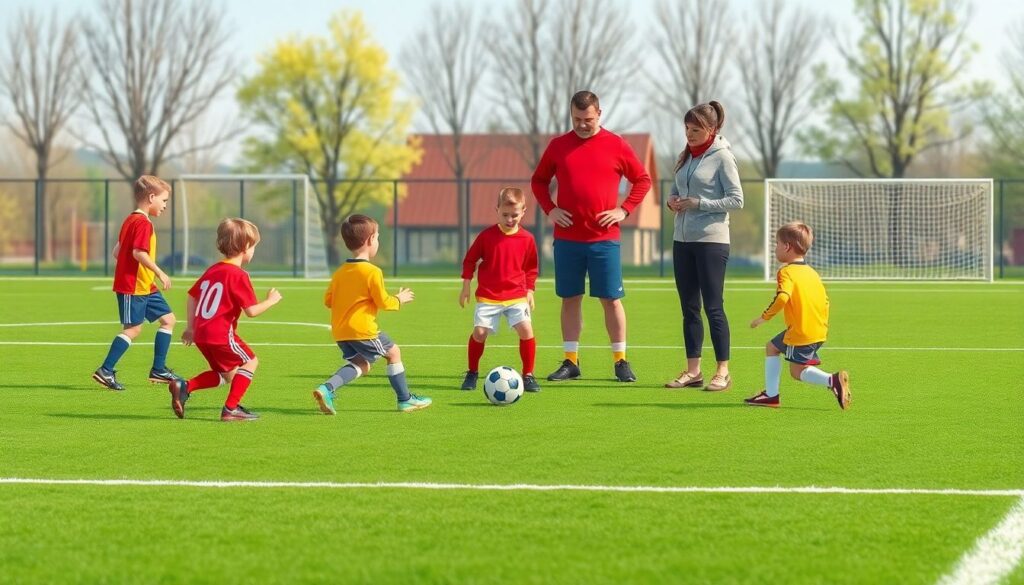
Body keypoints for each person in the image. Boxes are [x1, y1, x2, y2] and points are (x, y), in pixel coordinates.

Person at [531, 90, 652, 383]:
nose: (582, 124)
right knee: (570, 298)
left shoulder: (616, 145)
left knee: (611, 299)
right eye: (576, 119)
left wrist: (624, 210)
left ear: (599, 114)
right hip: (567, 239)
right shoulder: (558, 146)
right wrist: (550, 209)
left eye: (587, 119)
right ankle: (571, 361)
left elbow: (643, 180)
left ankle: (620, 361)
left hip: (604, 240)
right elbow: (538, 181)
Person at [313, 214, 432, 414]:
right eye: (377, 237)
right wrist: (399, 299)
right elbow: (383, 302)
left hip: (341, 332)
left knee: (362, 364)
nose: (377, 241)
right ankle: (405, 400)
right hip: (363, 330)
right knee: (394, 352)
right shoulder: (372, 272)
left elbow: (328, 301)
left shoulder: (340, 272)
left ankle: (327, 388)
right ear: (370, 241)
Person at [169, 218, 282, 421]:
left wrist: (191, 328)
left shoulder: (212, 270)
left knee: (226, 375)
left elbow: (192, 296)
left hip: (202, 334)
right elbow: (252, 311)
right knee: (251, 361)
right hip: (220, 333)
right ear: (245, 247)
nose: (254, 250)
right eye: (254, 246)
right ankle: (231, 409)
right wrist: (271, 301)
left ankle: (185, 386)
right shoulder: (238, 275)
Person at [664, 101, 743, 392]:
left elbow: (736, 199)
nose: (689, 134)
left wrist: (699, 204)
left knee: (713, 307)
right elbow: (677, 190)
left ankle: (723, 371)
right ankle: (693, 371)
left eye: (696, 129)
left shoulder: (723, 157)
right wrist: (671, 201)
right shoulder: (685, 156)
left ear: (712, 129)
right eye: (686, 128)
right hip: (682, 240)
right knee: (689, 308)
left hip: (711, 241)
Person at [746, 222, 850, 409]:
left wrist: (764, 317)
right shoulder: (812, 273)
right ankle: (771, 396)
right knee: (771, 347)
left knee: (796, 371)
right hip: (816, 328)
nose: (775, 248)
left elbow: (782, 297)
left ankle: (832, 380)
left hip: (801, 332)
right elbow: (825, 301)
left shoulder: (786, 272)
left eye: (777, 244)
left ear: (787, 247)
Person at [93, 175, 178, 391]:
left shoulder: (130, 220)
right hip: (134, 286)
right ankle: (105, 370)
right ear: (151, 197)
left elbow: (117, 251)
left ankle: (158, 369)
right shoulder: (143, 224)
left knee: (168, 320)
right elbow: (138, 252)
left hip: (144, 286)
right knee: (133, 329)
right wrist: (160, 272)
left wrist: (134, 269)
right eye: (164, 200)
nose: (165, 206)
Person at [459, 187, 541, 392]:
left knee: (526, 330)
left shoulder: (528, 239)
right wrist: (466, 286)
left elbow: (531, 267)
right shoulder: (486, 236)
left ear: (523, 212)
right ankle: (472, 372)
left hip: (516, 295)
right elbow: (470, 260)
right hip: (489, 295)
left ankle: (528, 375)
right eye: (505, 215)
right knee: (479, 332)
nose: (510, 219)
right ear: (496, 210)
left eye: (515, 215)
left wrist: (530, 291)